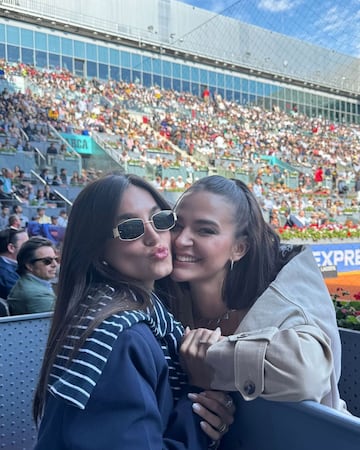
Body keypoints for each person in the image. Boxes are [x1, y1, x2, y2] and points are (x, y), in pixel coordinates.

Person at [33, 173, 234, 450]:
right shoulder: (122, 336)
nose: (154, 237)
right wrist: (197, 397)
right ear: (97, 248)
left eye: (161, 219)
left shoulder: (99, 312)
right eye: (130, 229)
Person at [168, 175, 346, 413]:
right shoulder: (164, 296)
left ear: (239, 248)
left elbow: (308, 374)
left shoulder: (282, 299)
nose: (181, 240)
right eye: (177, 225)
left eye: (205, 230)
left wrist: (210, 358)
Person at [7, 237, 57, 315]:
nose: (55, 264)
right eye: (47, 261)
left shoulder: (26, 284)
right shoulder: (39, 295)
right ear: (29, 266)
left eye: (56, 259)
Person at [0, 227, 29, 298]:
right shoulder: (8, 276)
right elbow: (28, 299)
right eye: (26, 245)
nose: (30, 249)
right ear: (11, 248)